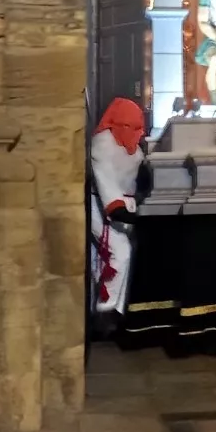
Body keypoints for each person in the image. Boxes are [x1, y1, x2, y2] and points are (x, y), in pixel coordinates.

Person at [89, 97, 147, 315]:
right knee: (120, 253)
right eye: (130, 126)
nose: (136, 132)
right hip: (103, 207)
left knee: (105, 260)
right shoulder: (103, 144)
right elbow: (105, 177)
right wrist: (116, 207)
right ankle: (107, 310)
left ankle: (110, 310)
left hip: (126, 207)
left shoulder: (134, 147)